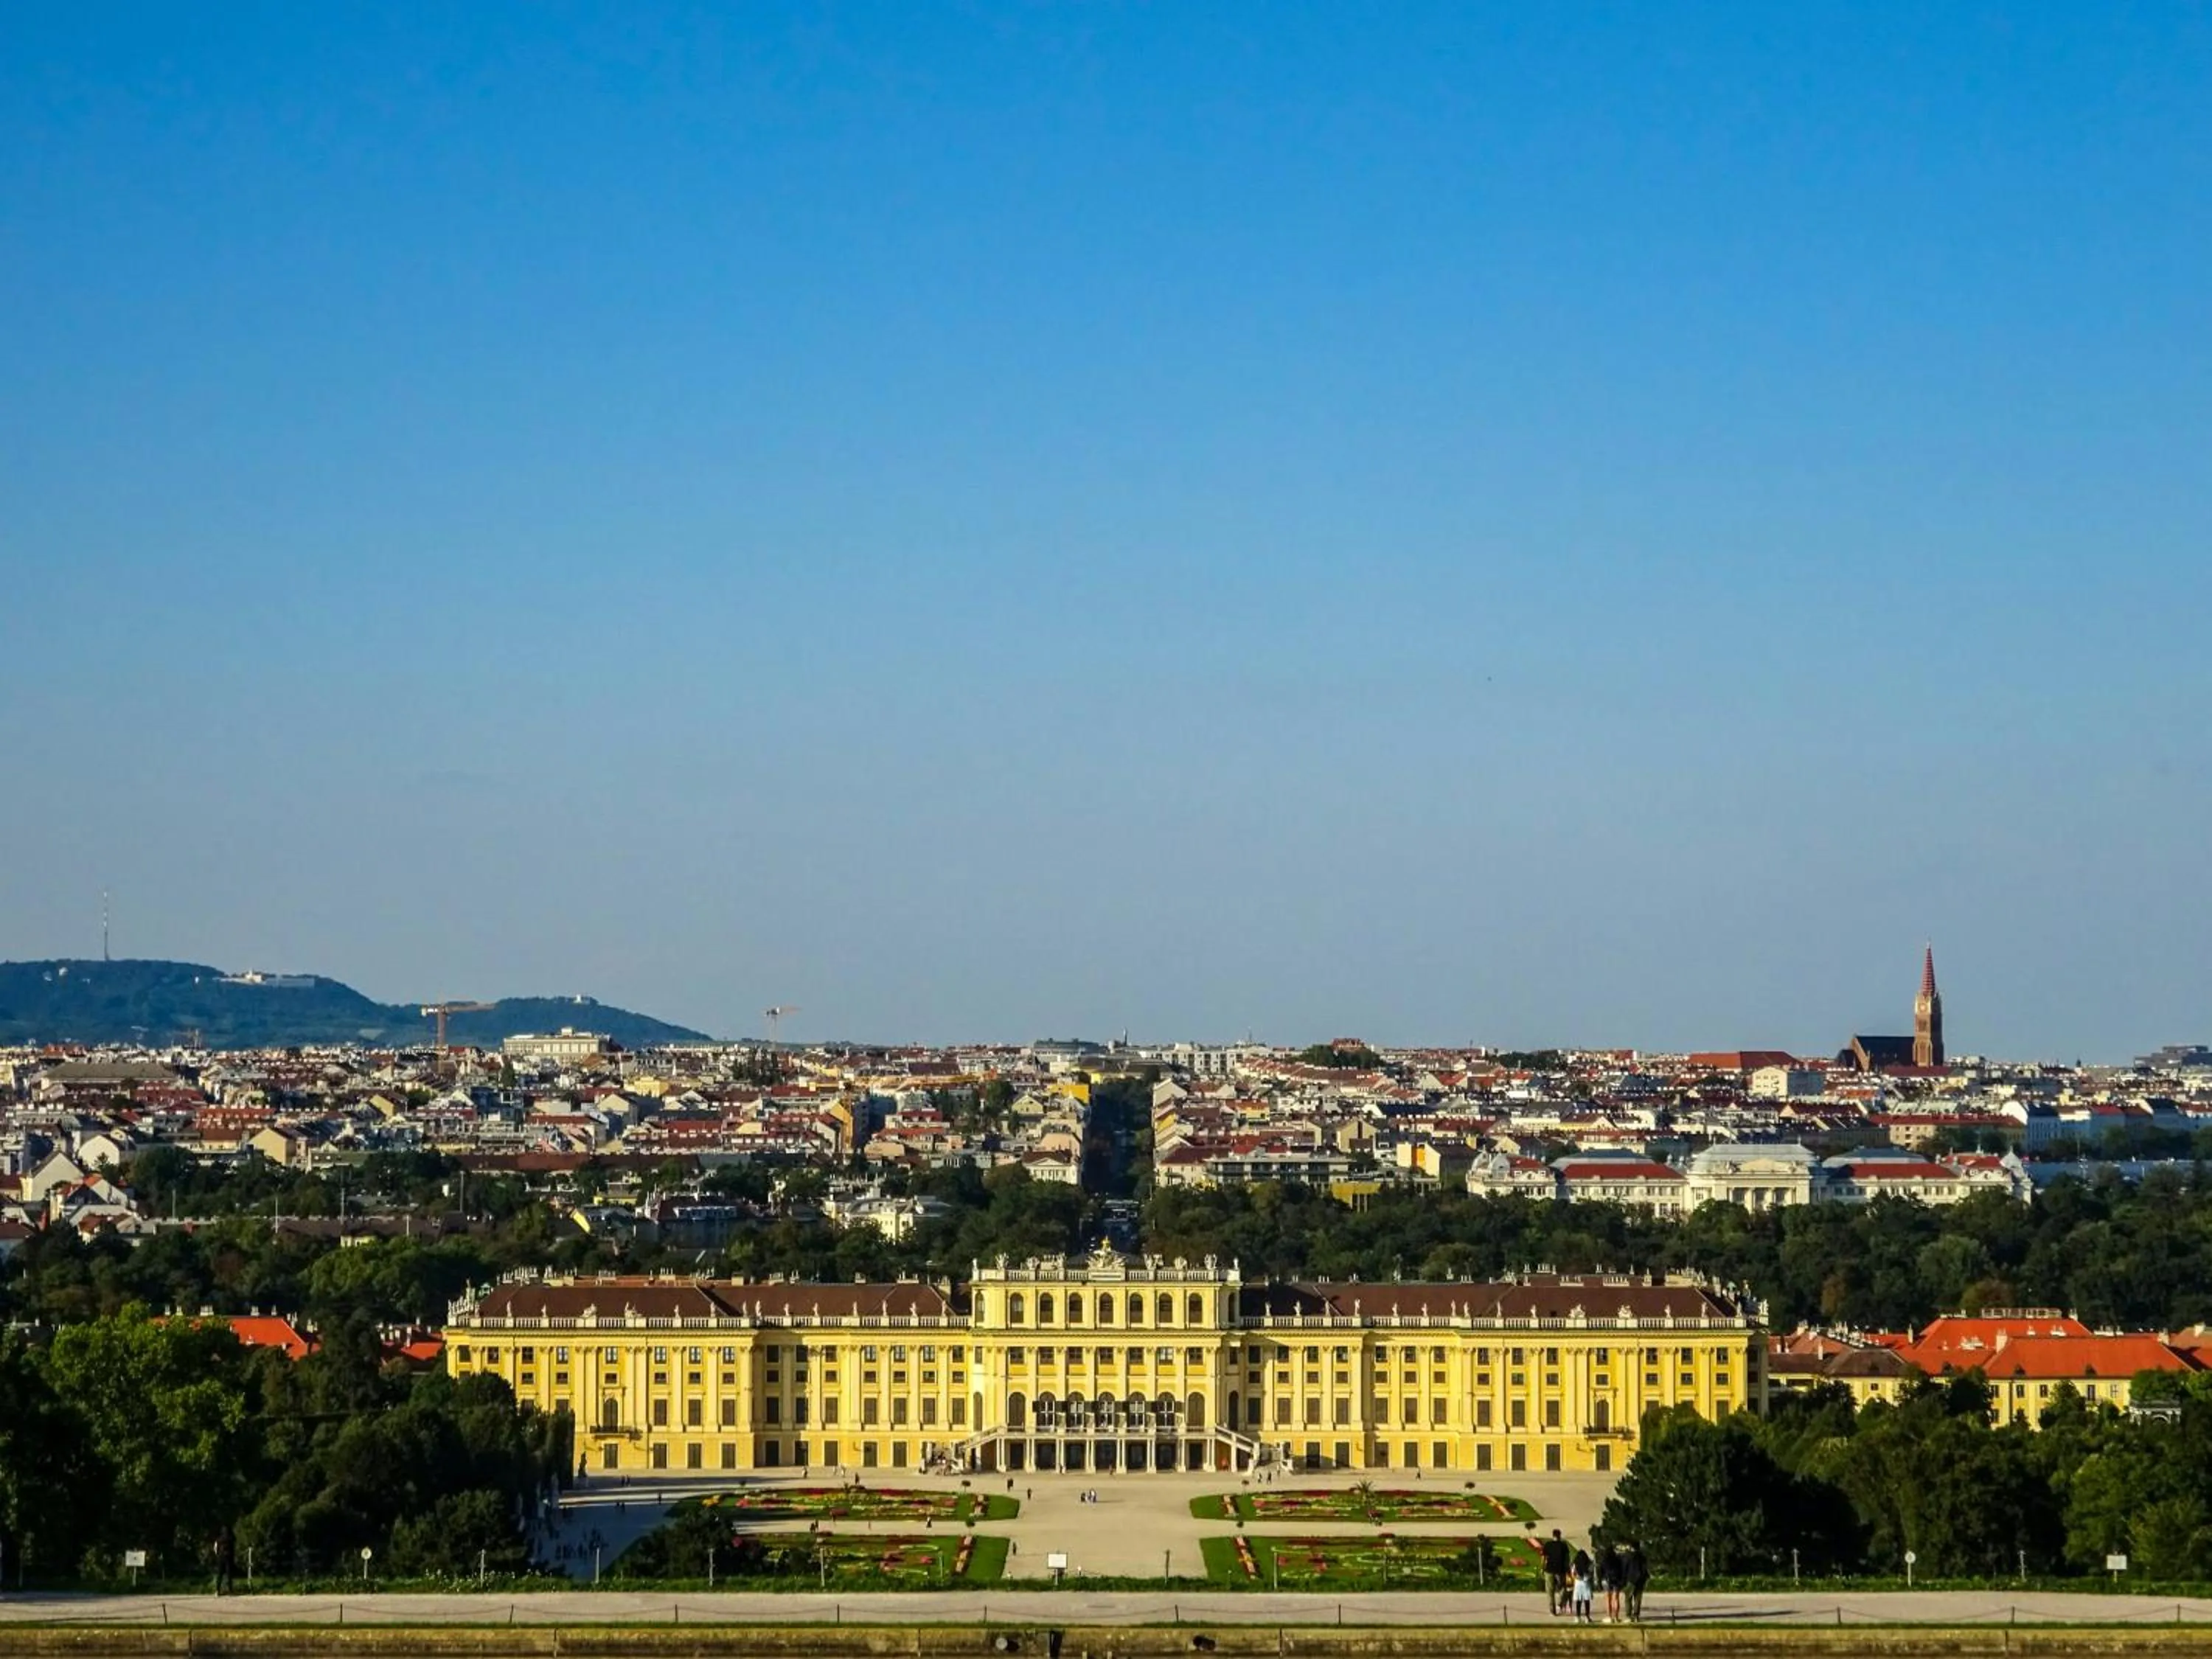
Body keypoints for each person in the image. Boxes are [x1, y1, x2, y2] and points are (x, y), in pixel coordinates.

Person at [1540, 1528, 1571, 1615]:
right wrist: (1567, 1569)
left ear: (1553, 1536)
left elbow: (1544, 1558)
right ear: (1560, 1536)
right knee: (1563, 1588)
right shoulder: (1563, 1545)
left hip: (1549, 1570)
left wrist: (1542, 1568)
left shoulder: (1548, 1544)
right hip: (1560, 1570)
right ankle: (1559, 1604)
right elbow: (1567, 1559)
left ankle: (1552, 1611)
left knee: (1550, 1591)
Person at [1598, 1542, 1623, 1623]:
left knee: (1608, 1599)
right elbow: (1621, 1570)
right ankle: (1616, 1616)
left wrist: (1600, 1580)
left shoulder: (1604, 1560)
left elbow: (1600, 1571)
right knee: (1616, 1598)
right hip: (1616, 1579)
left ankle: (1609, 1616)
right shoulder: (1618, 1559)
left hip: (1606, 1579)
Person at [1624, 1540, 1648, 1623]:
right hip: (1640, 1580)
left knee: (1628, 1599)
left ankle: (1628, 1615)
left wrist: (1623, 1579)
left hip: (1630, 1579)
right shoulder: (1642, 1557)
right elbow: (1645, 1569)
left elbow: (1625, 1568)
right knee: (1638, 1599)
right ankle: (1636, 1615)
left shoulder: (1628, 1557)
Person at [1570, 1548, 1595, 1624]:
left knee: (1578, 1600)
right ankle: (1587, 1617)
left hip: (1578, 1583)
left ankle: (1578, 1617)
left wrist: (1577, 1578)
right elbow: (1591, 1573)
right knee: (1587, 1600)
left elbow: (1573, 1573)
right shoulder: (1589, 1563)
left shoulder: (1575, 1563)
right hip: (1586, 1583)